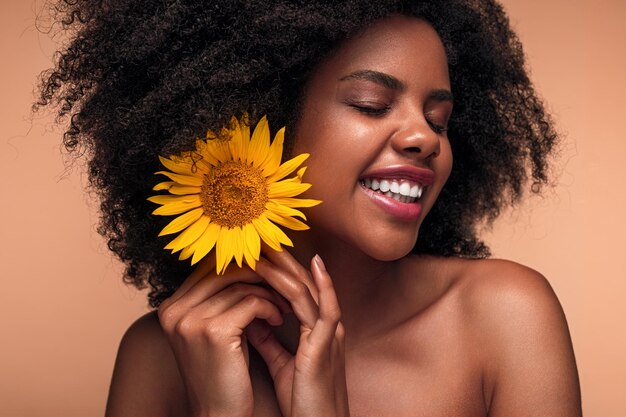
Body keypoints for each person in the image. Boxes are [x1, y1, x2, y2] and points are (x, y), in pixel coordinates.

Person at [37, 0, 581, 415]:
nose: (424, 137)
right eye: (373, 105)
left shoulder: (504, 317)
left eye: (438, 119)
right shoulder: (161, 355)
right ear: (258, 113)